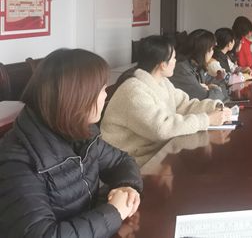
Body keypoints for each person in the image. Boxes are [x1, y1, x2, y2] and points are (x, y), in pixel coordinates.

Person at [0, 49, 143, 238]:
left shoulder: (80, 132)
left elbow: (121, 161)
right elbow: (42, 234)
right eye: (101, 90)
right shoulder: (17, 161)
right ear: (76, 98)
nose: (105, 96)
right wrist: (114, 213)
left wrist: (127, 186)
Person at [101, 35, 232, 166]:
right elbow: (162, 128)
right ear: (163, 64)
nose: (176, 61)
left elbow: (184, 105)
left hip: (157, 153)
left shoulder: (162, 82)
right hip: (132, 163)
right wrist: (207, 120)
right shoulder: (133, 91)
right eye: (173, 58)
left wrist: (214, 107)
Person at [169, 29, 227, 101]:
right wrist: (214, 88)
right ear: (202, 50)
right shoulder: (182, 69)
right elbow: (206, 98)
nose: (212, 53)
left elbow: (221, 85)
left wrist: (210, 87)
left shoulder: (196, 65)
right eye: (211, 49)